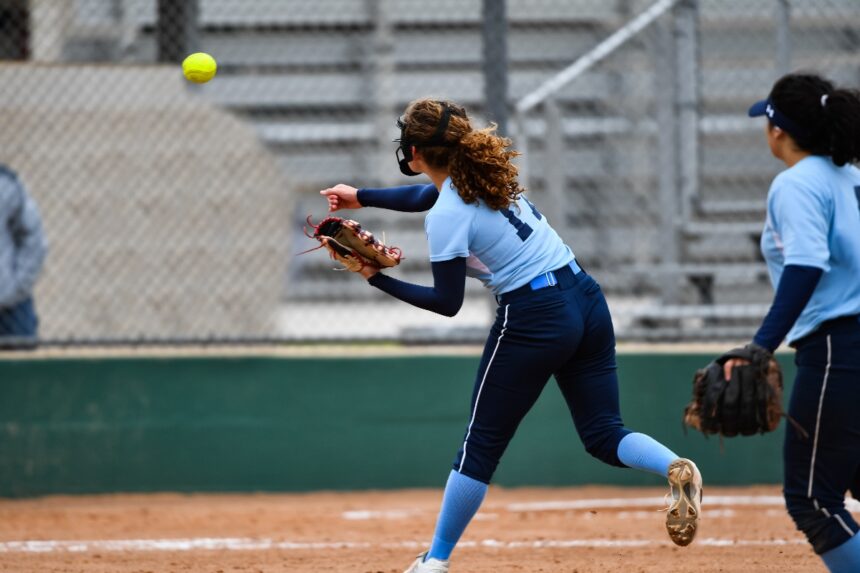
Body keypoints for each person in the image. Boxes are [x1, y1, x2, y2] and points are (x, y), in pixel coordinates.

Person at [320, 98, 702, 572]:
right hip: (584, 296)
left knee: (479, 447)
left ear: (415, 151)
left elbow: (447, 303)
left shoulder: (448, 213)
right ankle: (672, 467)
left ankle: (434, 561)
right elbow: (430, 196)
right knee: (604, 433)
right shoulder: (485, 175)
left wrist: (375, 278)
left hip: (534, 315)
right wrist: (362, 195)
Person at [724, 73, 860, 573]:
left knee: (812, 499)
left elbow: (806, 265)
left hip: (840, 350)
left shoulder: (797, 183)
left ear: (777, 131)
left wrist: (760, 346)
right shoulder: (852, 177)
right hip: (846, 344)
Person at [0, 165, 47, 348]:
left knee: (24, 369)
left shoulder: (6, 185)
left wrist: (14, 289)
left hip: (10, 308)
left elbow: (33, 239)